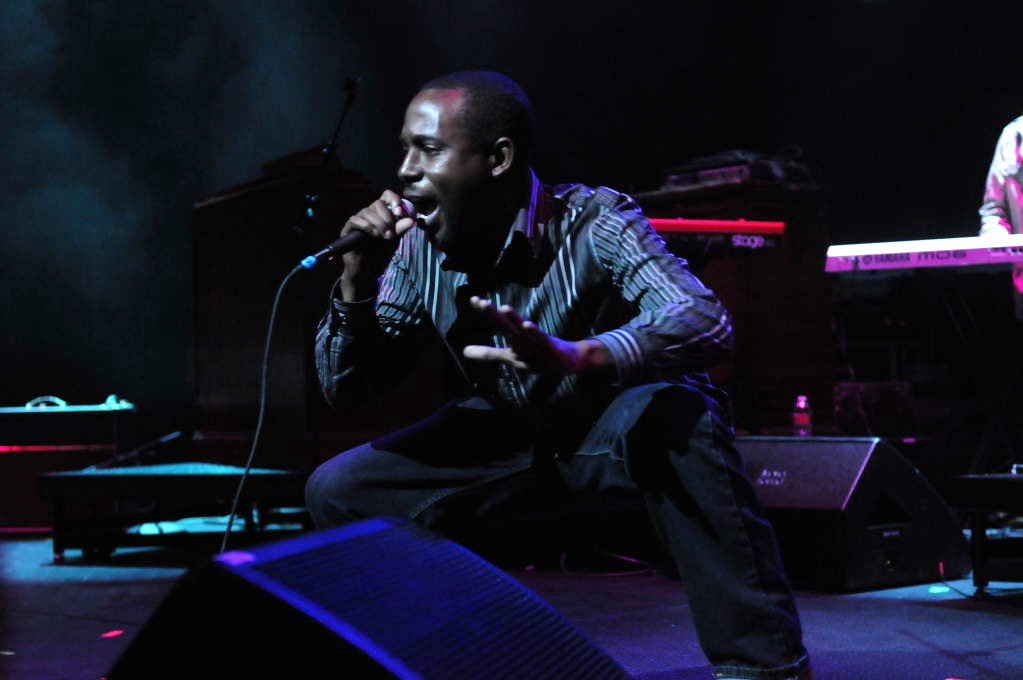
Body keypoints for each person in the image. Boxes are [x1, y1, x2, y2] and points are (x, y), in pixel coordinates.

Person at [305, 70, 810, 680]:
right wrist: (356, 280)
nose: (406, 170)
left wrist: (583, 356)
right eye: (406, 149)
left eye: (429, 149)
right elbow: (346, 390)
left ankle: (764, 669)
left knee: (681, 415)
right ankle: (449, 661)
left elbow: (705, 320)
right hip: (513, 441)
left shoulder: (594, 219)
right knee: (339, 489)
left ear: (498, 159)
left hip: (614, 434)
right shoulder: (418, 248)